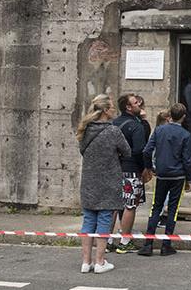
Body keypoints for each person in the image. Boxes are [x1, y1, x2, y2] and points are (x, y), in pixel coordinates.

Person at [76, 94, 131, 274]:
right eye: (112, 107)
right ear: (106, 111)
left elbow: (83, 151)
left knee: (88, 220)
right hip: (108, 181)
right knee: (105, 220)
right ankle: (100, 261)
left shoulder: (84, 130)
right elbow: (127, 151)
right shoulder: (113, 131)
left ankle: (86, 262)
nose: (114, 110)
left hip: (89, 181)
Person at [138, 103, 191, 257]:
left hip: (161, 174)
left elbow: (147, 151)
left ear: (170, 115)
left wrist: (149, 167)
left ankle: (148, 244)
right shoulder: (186, 135)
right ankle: (166, 244)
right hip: (178, 175)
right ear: (183, 117)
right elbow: (188, 160)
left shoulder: (159, 130)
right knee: (173, 209)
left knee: (156, 207)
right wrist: (190, 179)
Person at [109, 93, 151, 254]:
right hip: (131, 170)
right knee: (130, 205)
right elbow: (140, 150)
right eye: (136, 102)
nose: (139, 104)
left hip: (114, 169)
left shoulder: (113, 123)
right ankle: (125, 241)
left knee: (113, 206)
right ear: (128, 107)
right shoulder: (136, 126)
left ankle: (107, 240)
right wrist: (145, 169)